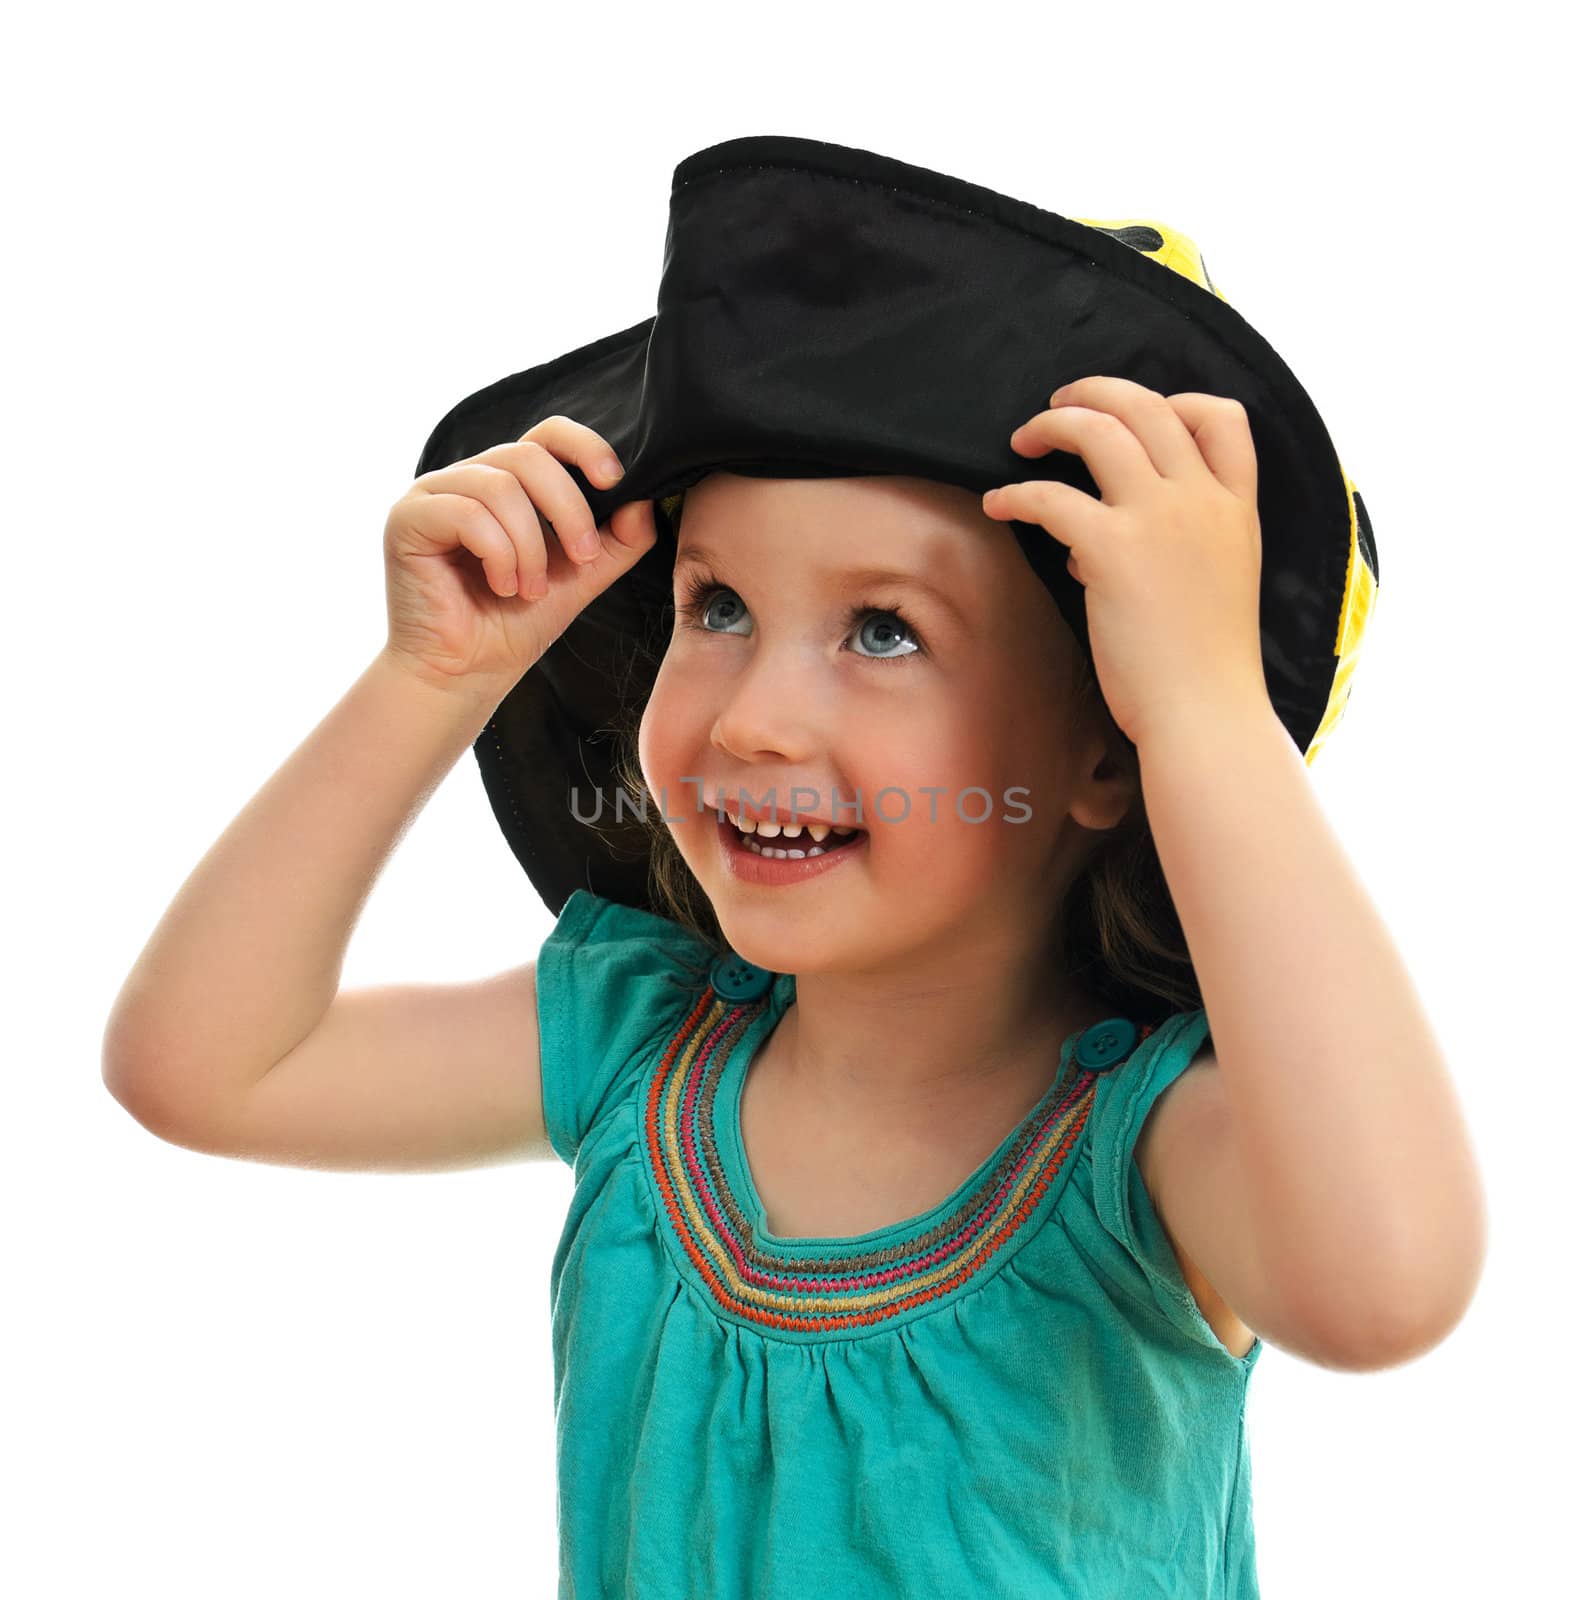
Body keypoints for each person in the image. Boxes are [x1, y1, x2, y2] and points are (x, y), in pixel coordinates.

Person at [101, 136, 1485, 1599]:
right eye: (716, 606)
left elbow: (1385, 1284)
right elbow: (201, 1066)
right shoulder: (642, 1051)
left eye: (883, 630)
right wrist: (431, 681)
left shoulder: (1144, 1155)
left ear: (1107, 749)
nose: (754, 717)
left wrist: (1205, 707)